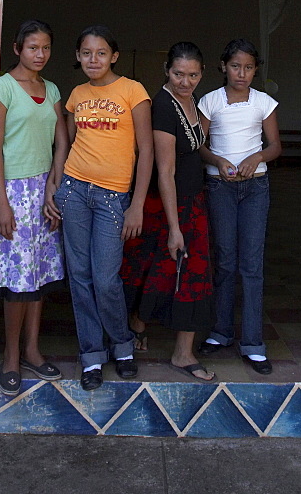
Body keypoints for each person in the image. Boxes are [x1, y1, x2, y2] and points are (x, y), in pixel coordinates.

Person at [45, 25, 153, 391]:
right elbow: (66, 142)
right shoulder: (76, 94)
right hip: (74, 191)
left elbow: (146, 150)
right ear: (78, 57)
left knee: (106, 279)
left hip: (112, 198)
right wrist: (54, 185)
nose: (94, 59)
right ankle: (91, 356)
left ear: (114, 56)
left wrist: (137, 203)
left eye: (101, 53)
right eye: (87, 53)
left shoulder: (133, 91)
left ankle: (122, 346)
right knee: (80, 278)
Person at [0, 19, 68, 397]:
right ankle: (11, 356)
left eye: (46, 47)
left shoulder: (51, 90)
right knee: (18, 280)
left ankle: (33, 349)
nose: (40, 54)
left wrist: (54, 184)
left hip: (45, 191)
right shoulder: (2, 89)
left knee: (40, 276)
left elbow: (62, 143)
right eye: (33, 47)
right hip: (13, 193)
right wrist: (2, 202)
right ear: (17, 49)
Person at [123, 42, 215, 382]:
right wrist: (175, 227)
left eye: (192, 75)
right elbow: (165, 171)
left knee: (192, 274)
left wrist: (220, 162)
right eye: (178, 74)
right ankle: (138, 324)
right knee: (159, 270)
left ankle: (181, 351)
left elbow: (197, 149)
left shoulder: (192, 102)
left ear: (202, 74)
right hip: (167, 206)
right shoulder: (162, 105)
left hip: (193, 201)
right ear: (166, 70)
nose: (185, 82)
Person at [198, 39, 281, 375]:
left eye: (248, 67)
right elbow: (200, 145)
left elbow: (275, 146)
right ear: (223, 66)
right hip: (219, 187)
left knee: (251, 264)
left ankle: (252, 343)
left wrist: (257, 157)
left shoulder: (264, 102)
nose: (241, 73)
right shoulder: (210, 101)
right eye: (235, 66)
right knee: (225, 260)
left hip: (255, 187)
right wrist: (218, 160)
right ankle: (220, 332)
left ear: (255, 69)